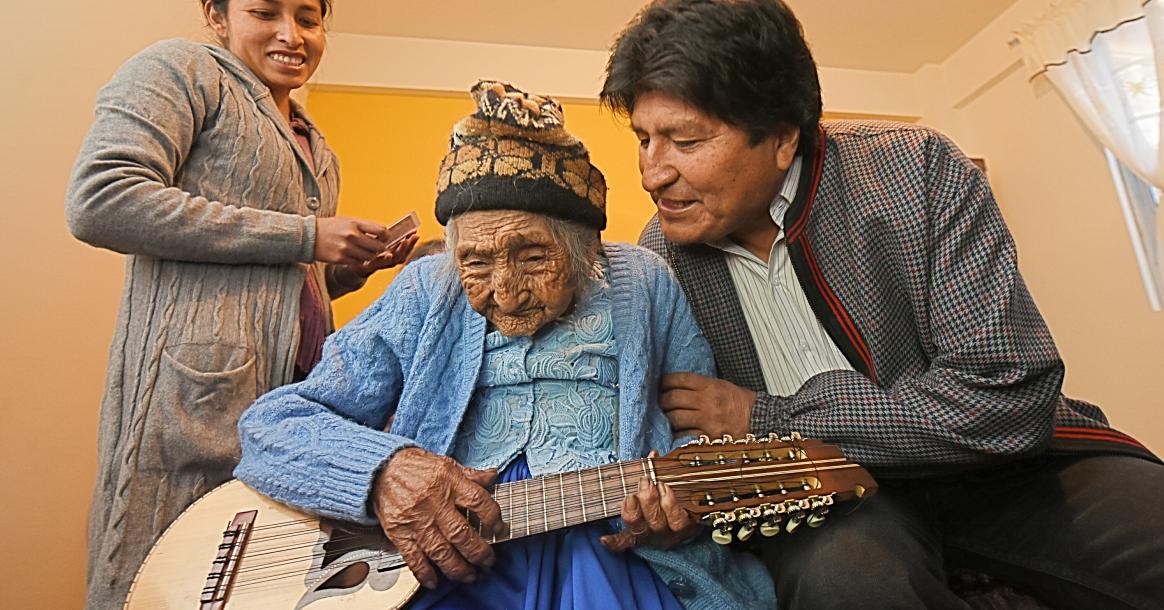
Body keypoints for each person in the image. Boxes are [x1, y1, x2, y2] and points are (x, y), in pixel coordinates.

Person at [600, 1, 1164, 608]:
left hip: (1016, 472)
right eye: (643, 138)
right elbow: (677, 440)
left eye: (685, 140)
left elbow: (1004, 400)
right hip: (826, 502)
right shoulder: (658, 260)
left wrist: (766, 418)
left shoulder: (914, 169)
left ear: (783, 137)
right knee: (844, 580)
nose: (652, 172)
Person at [234, 80, 775, 610]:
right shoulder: (427, 285)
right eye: (475, 262)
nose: (508, 293)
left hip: (605, 542)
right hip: (451, 552)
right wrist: (386, 471)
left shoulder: (644, 279)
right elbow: (273, 424)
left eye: (534, 257)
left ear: (586, 249)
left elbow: (700, 436)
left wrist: (673, 509)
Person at [65, 1, 417, 607]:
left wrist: (341, 270)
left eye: (309, 18)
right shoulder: (180, 71)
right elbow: (101, 198)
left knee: (256, 588)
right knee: (161, 578)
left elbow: (273, 282)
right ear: (216, 14)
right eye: (264, 11)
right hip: (192, 400)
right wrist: (307, 236)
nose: (292, 34)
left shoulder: (316, 146)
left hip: (291, 409)